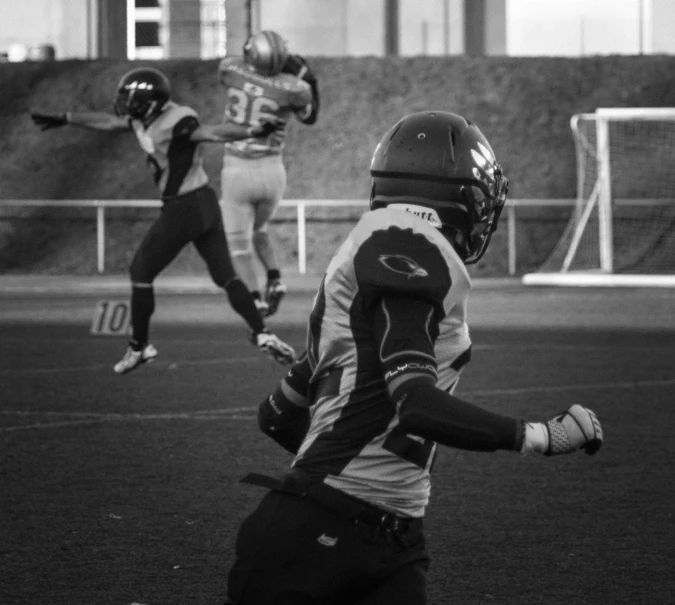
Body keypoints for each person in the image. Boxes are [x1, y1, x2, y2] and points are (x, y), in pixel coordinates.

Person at [223, 111, 604, 605]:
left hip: (383, 536)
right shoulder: (405, 247)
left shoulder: (372, 256)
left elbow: (276, 417)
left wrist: (356, 468)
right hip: (319, 534)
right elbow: (418, 405)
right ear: (455, 196)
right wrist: (540, 436)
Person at [30, 66, 296, 375]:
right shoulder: (144, 119)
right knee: (226, 277)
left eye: (131, 100)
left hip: (184, 207)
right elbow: (107, 122)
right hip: (205, 203)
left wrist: (251, 131)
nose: (126, 106)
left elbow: (212, 132)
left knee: (140, 272)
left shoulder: (177, 121)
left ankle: (139, 346)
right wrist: (66, 118)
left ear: (150, 102)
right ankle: (262, 332)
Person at [217, 29, 319, 317]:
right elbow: (308, 114)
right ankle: (274, 278)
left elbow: (232, 67)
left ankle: (255, 298)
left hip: (237, 169)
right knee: (259, 230)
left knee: (239, 247)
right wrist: (302, 77)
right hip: (273, 171)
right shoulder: (295, 88)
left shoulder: (230, 69)